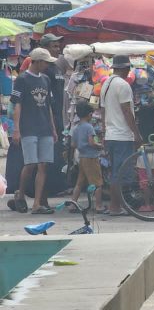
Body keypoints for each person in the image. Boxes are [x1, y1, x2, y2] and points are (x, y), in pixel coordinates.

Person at [10, 48, 59, 214]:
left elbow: (49, 106)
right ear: (37, 61)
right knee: (30, 163)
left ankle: (37, 203)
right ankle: (21, 194)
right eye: (45, 62)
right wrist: (16, 129)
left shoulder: (45, 79)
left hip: (44, 127)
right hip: (28, 127)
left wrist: (53, 128)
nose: (47, 65)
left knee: (43, 165)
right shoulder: (22, 79)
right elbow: (17, 104)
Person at [100, 55, 143, 216]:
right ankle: (115, 206)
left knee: (115, 172)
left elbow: (102, 110)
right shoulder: (123, 85)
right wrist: (136, 133)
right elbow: (127, 111)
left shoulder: (106, 84)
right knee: (120, 173)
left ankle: (116, 205)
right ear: (125, 68)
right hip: (122, 136)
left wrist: (104, 132)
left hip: (111, 135)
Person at [70, 101, 103, 210]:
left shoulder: (76, 128)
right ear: (90, 114)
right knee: (98, 183)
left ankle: (72, 204)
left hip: (82, 158)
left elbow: (73, 144)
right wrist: (100, 146)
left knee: (79, 183)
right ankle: (98, 206)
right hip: (91, 157)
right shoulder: (89, 127)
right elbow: (91, 143)